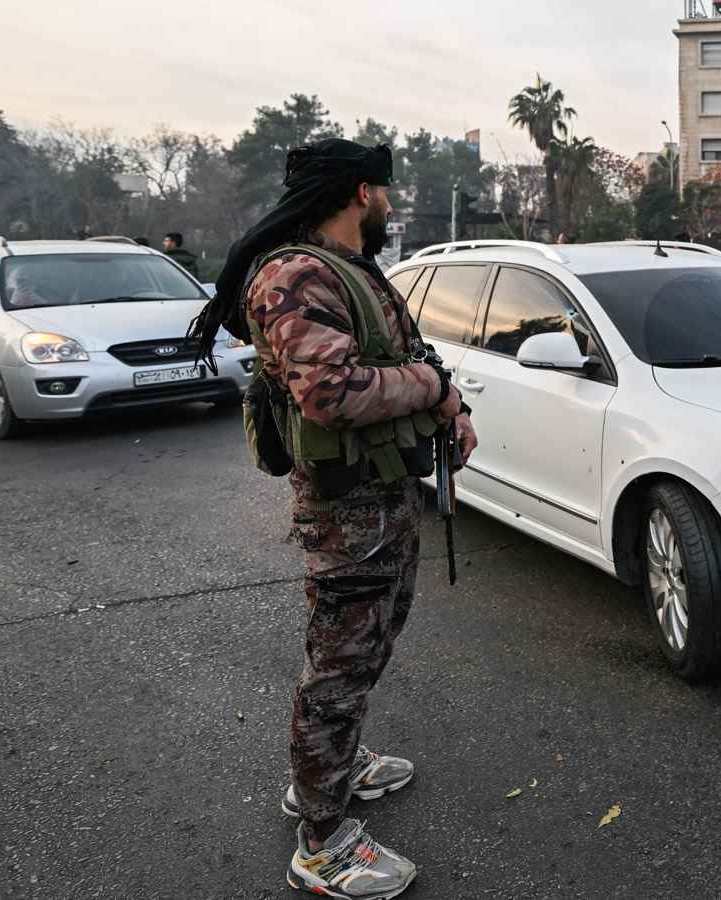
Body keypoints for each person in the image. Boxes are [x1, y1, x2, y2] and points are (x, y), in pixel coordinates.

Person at [193, 138, 478, 897]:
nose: (390, 202)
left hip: (384, 499)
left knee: (372, 643)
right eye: (385, 191)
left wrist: (450, 407)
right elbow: (332, 393)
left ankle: (335, 767)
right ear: (361, 192)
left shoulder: (351, 269)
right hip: (348, 511)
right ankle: (321, 840)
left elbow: (403, 354)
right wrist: (431, 388)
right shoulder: (297, 275)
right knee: (339, 668)